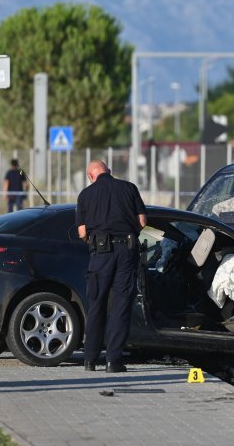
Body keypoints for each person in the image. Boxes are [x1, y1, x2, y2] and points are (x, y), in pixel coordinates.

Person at [75, 160, 146, 373]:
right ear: (110, 172)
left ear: (91, 176)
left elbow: (81, 233)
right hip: (126, 252)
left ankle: (89, 360)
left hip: (100, 254)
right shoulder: (129, 188)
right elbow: (142, 221)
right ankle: (112, 361)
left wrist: (95, 244)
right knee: (120, 305)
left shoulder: (85, 195)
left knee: (96, 305)